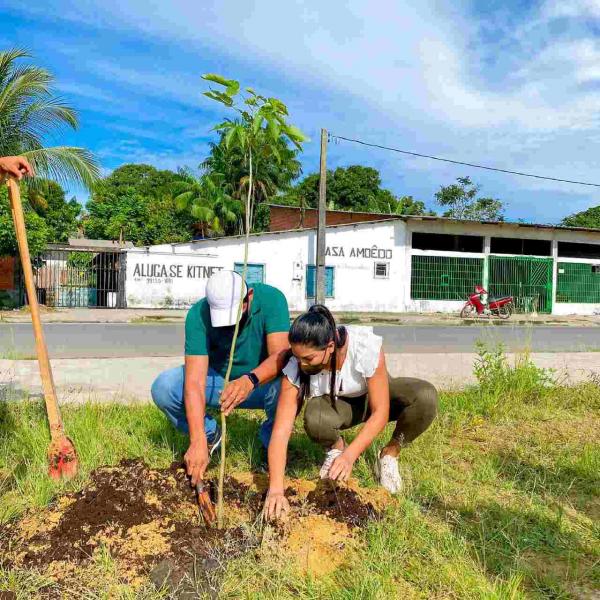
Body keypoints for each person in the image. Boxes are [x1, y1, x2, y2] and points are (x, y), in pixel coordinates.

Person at [264, 305, 438, 521]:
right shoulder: (296, 366)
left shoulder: (363, 346)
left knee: (425, 396)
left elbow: (380, 412)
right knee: (315, 416)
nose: (302, 364)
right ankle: (336, 449)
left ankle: (389, 455)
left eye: (308, 358)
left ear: (329, 346)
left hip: (373, 398)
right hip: (338, 406)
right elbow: (281, 431)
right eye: (298, 357)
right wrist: (276, 490)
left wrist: (351, 456)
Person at [151, 270, 290, 487]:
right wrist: (197, 440)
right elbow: (195, 382)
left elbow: (281, 358)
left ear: (249, 297)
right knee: (165, 387)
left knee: (289, 384)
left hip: (260, 384)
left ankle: (271, 444)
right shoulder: (198, 314)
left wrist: (250, 380)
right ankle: (210, 436)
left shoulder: (272, 300)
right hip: (218, 383)